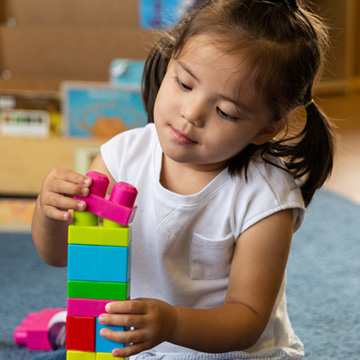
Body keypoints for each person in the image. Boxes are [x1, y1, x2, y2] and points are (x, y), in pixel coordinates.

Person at [31, 0, 335, 359]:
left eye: (225, 111)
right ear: (169, 58)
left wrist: (172, 324)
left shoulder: (266, 199)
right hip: (136, 341)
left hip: (230, 352)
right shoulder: (122, 156)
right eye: (184, 83)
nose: (191, 114)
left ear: (266, 129)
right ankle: (70, 325)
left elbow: (248, 319)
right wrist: (49, 211)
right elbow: (58, 255)